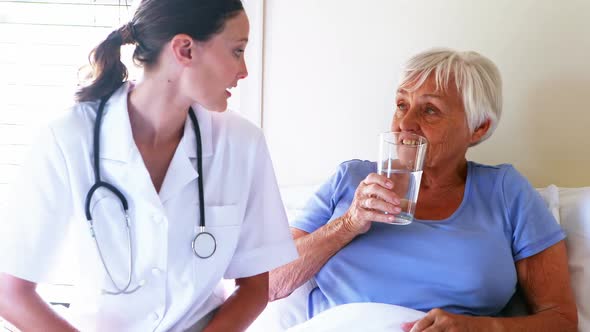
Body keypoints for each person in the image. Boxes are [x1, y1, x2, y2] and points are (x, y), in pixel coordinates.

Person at [0, 0, 297, 331]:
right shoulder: (67, 138)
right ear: (184, 49)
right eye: (237, 51)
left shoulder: (243, 145)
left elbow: (254, 287)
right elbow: (10, 292)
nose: (243, 71)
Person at [269, 48, 578, 331]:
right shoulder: (349, 179)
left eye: (430, 110)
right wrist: (348, 223)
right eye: (402, 104)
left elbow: (561, 320)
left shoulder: (505, 191)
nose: (405, 123)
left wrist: (479, 329)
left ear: (478, 127)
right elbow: (271, 283)